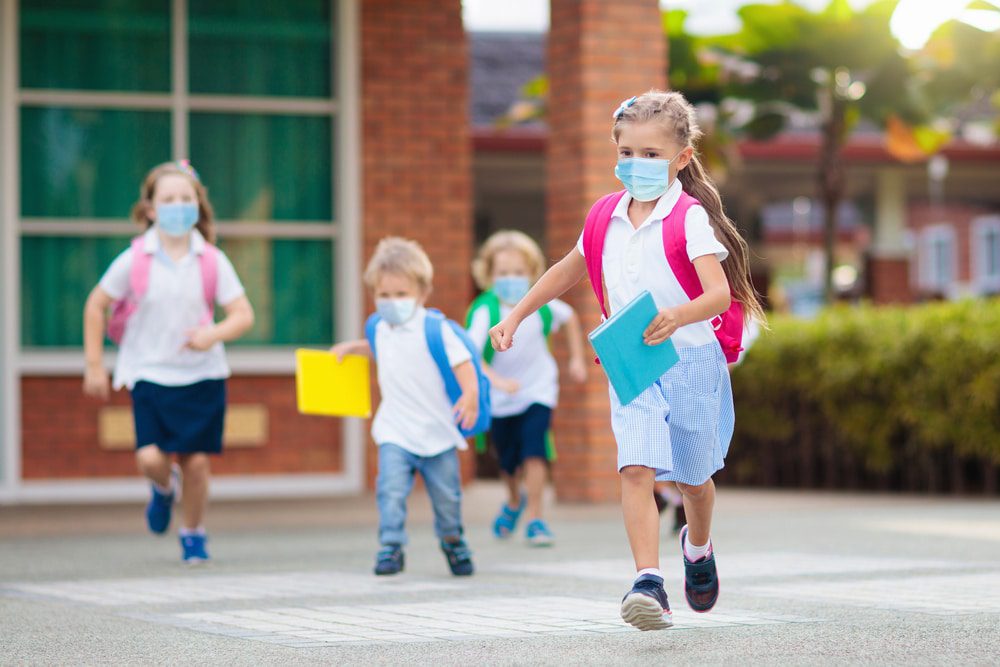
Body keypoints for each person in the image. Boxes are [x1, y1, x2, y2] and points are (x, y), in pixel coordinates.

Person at [488, 90, 765, 630]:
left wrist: (680, 316)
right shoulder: (604, 217)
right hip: (633, 361)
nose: (637, 165)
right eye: (628, 153)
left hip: (691, 361)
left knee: (694, 480)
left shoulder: (688, 218)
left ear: (682, 159)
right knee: (635, 467)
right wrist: (517, 315)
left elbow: (717, 295)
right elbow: (567, 270)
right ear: (615, 150)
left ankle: (698, 547)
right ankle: (648, 581)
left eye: (652, 155)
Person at [83, 160, 254, 564]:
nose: (178, 206)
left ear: (198, 204)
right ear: (151, 210)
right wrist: (94, 365)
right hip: (149, 372)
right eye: (168, 199)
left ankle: (193, 534)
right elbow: (96, 305)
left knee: (196, 464)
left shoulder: (211, 259)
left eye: (185, 198)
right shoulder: (135, 258)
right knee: (150, 457)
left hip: (202, 376)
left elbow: (243, 314)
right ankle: (162, 488)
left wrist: (211, 335)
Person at [330, 237, 479, 577]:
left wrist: (469, 395)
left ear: (422, 293)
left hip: (437, 432)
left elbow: (464, 365)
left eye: (401, 295)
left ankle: (453, 541)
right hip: (394, 430)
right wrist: (352, 349)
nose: (392, 302)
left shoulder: (436, 329)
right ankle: (390, 547)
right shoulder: (380, 328)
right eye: (384, 295)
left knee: (447, 498)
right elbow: (377, 348)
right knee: (390, 490)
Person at [466, 230, 588, 547]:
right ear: (488, 275)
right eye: (503, 273)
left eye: (519, 272)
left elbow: (571, 318)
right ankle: (513, 500)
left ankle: (535, 517)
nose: (511, 279)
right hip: (500, 396)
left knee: (534, 451)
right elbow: (470, 356)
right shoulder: (484, 311)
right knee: (507, 461)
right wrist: (498, 382)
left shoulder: (541, 304)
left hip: (538, 389)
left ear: (532, 273)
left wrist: (576, 359)